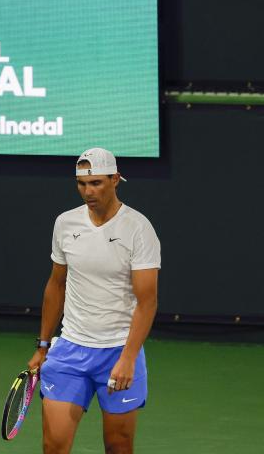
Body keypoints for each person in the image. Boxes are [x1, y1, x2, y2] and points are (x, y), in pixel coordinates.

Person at [28, 148, 161, 454]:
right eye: (82, 184)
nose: (88, 192)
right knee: (54, 445)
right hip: (70, 351)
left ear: (115, 180)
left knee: (118, 446)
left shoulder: (138, 229)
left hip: (118, 352)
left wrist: (128, 357)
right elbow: (56, 284)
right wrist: (43, 345)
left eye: (97, 183)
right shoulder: (65, 223)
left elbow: (147, 302)